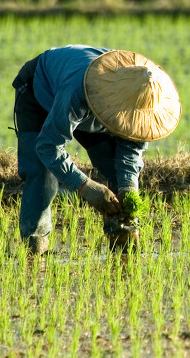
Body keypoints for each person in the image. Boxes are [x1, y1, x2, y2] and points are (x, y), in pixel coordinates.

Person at [12, 46, 181, 256]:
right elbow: (49, 146)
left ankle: (123, 243)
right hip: (40, 93)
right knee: (41, 173)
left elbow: (131, 148)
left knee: (116, 173)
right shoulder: (78, 92)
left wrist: (128, 185)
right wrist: (86, 187)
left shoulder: (138, 95)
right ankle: (35, 247)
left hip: (97, 110)